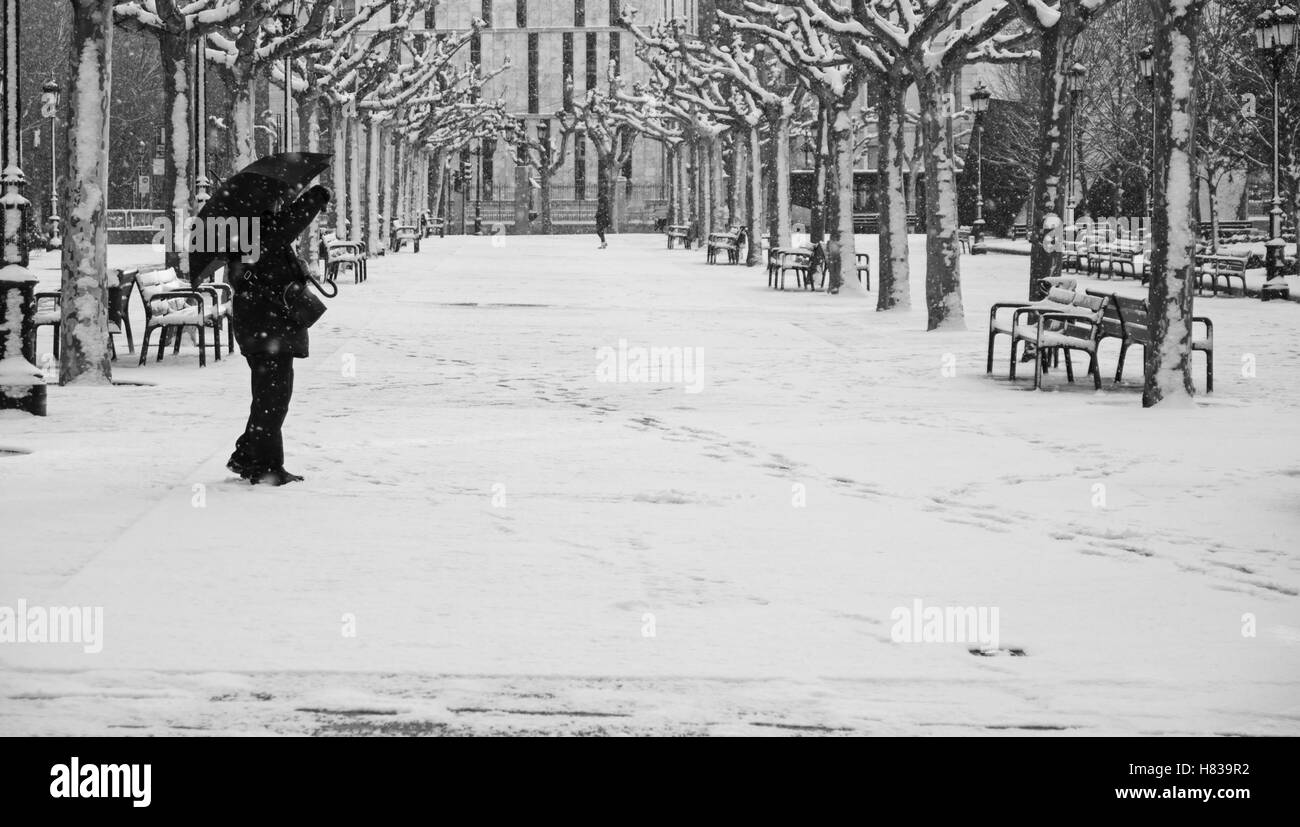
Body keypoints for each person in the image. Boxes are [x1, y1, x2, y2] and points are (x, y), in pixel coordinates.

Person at [225, 184, 331, 486]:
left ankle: (247, 455)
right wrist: (315, 197)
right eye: (273, 198)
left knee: (268, 398)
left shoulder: (243, 233)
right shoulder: (259, 230)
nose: (278, 201)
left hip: (260, 328)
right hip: (267, 330)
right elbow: (290, 222)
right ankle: (267, 467)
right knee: (273, 400)